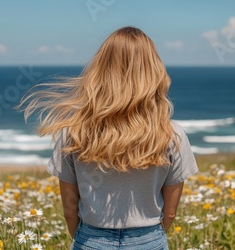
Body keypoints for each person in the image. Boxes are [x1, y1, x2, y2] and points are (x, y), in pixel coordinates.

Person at [18, 26, 198, 249]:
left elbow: (69, 207)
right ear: (154, 71)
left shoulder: (73, 132)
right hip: (148, 240)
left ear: (101, 69)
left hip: (92, 239)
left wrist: (83, 238)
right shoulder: (172, 135)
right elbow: (170, 211)